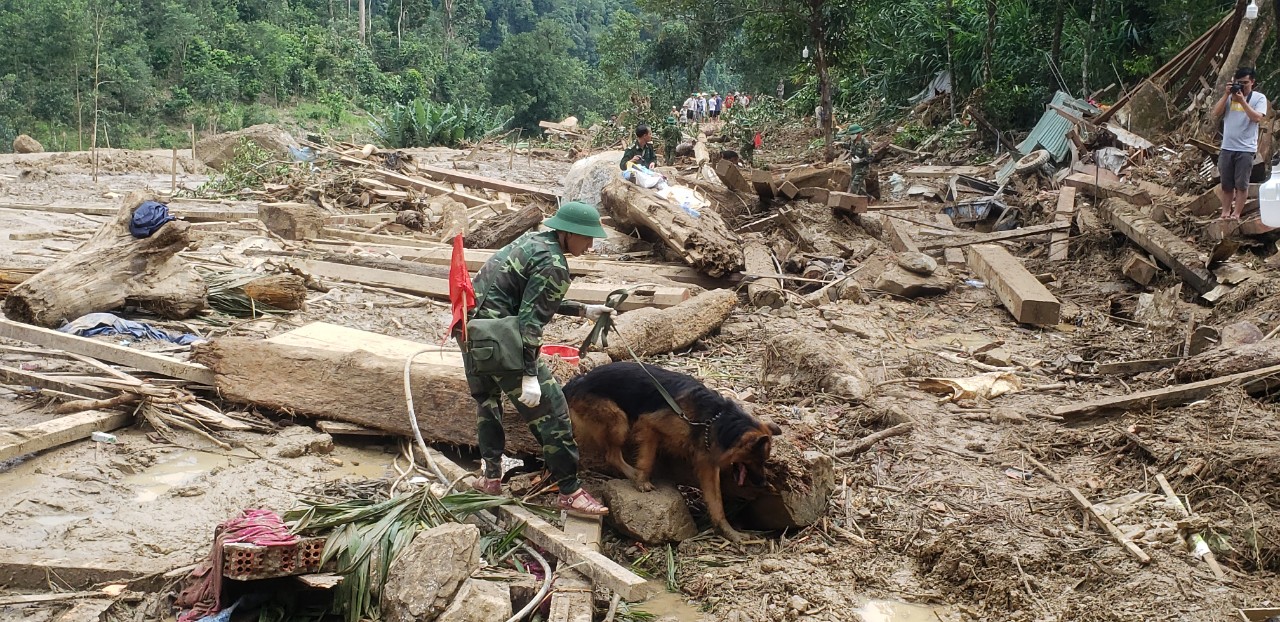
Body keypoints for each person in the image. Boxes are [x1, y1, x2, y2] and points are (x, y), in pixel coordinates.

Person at [462, 202, 614, 516]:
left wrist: (583, 310)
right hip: (501, 339)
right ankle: (570, 491)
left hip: (469, 329)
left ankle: (490, 478)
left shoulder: (533, 242)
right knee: (554, 411)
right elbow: (531, 322)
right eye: (587, 238)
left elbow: (527, 293)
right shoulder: (554, 263)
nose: (590, 245)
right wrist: (529, 374)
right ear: (569, 232)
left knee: (488, 403)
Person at [1213, 67, 1268, 220]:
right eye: (1239, 83)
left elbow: (1256, 118)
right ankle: (1225, 212)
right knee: (1226, 184)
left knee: (1242, 184)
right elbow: (1215, 113)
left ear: (1252, 82)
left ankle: (1236, 214)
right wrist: (1226, 94)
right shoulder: (1229, 97)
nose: (1241, 86)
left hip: (1245, 149)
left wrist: (1243, 100)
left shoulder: (1258, 98)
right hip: (1227, 147)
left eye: (1245, 83)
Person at [842, 124, 871, 195]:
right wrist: (840, 144)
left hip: (862, 169)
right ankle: (869, 199)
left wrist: (860, 160)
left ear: (858, 134)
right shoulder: (853, 141)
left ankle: (851, 203)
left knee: (854, 186)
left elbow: (870, 157)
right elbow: (849, 146)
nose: (851, 136)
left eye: (852, 134)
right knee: (858, 187)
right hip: (854, 168)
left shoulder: (866, 144)